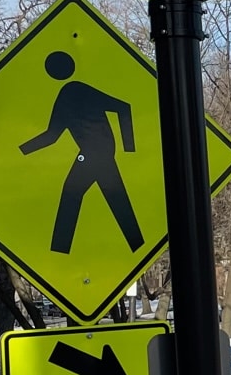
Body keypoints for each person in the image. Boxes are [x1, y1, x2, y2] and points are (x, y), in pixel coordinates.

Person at [18, 51, 144, 254]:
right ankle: (137, 244)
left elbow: (123, 107)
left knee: (71, 192)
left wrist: (129, 148)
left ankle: (59, 250)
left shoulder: (75, 90)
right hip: (97, 152)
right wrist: (22, 150)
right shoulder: (69, 93)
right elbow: (52, 135)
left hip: (94, 153)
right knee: (116, 197)